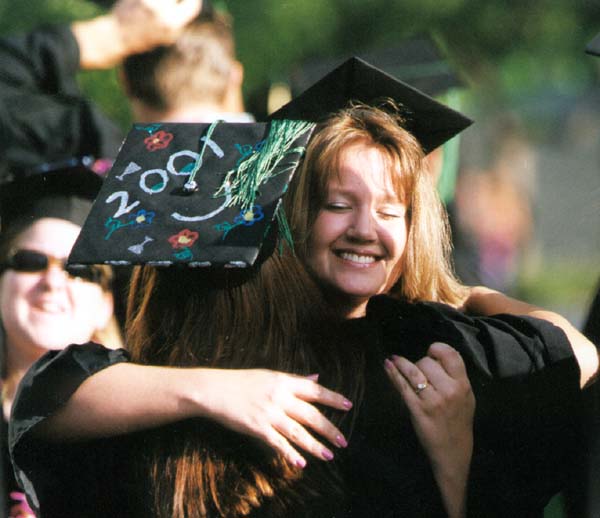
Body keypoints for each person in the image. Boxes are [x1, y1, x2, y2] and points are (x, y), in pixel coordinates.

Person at [11, 58, 596, 516]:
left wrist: (454, 454)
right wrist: (214, 392)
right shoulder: (202, 355)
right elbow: (46, 399)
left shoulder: (424, 352)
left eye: (391, 212)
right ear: (288, 216)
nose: (365, 229)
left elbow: (573, 353)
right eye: (337, 204)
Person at [0, 167, 122, 518]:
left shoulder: (137, 437)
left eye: (80, 270)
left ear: (106, 303)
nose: (52, 281)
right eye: (30, 262)